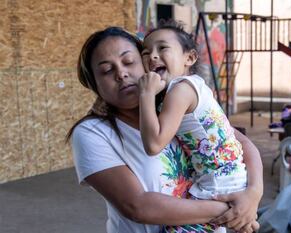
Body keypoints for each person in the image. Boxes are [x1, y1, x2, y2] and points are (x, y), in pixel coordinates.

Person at [67, 26, 263, 233]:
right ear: (94, 85)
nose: (122, 74)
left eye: (129, 62)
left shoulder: (174, 107)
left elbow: (241, 143)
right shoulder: (92, 133)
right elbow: (137, 205)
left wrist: (253, 194)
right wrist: (232, 210)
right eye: (107, 70)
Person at [138, 20, 256, 232]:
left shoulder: (180, 91)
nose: (152, 56)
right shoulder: (197, 85)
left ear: (189, 58)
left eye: (162, 48)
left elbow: (154, 144)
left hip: (218, 183)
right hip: (231, 175)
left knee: (177, 226)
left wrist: (145, 94)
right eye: (145, 53)